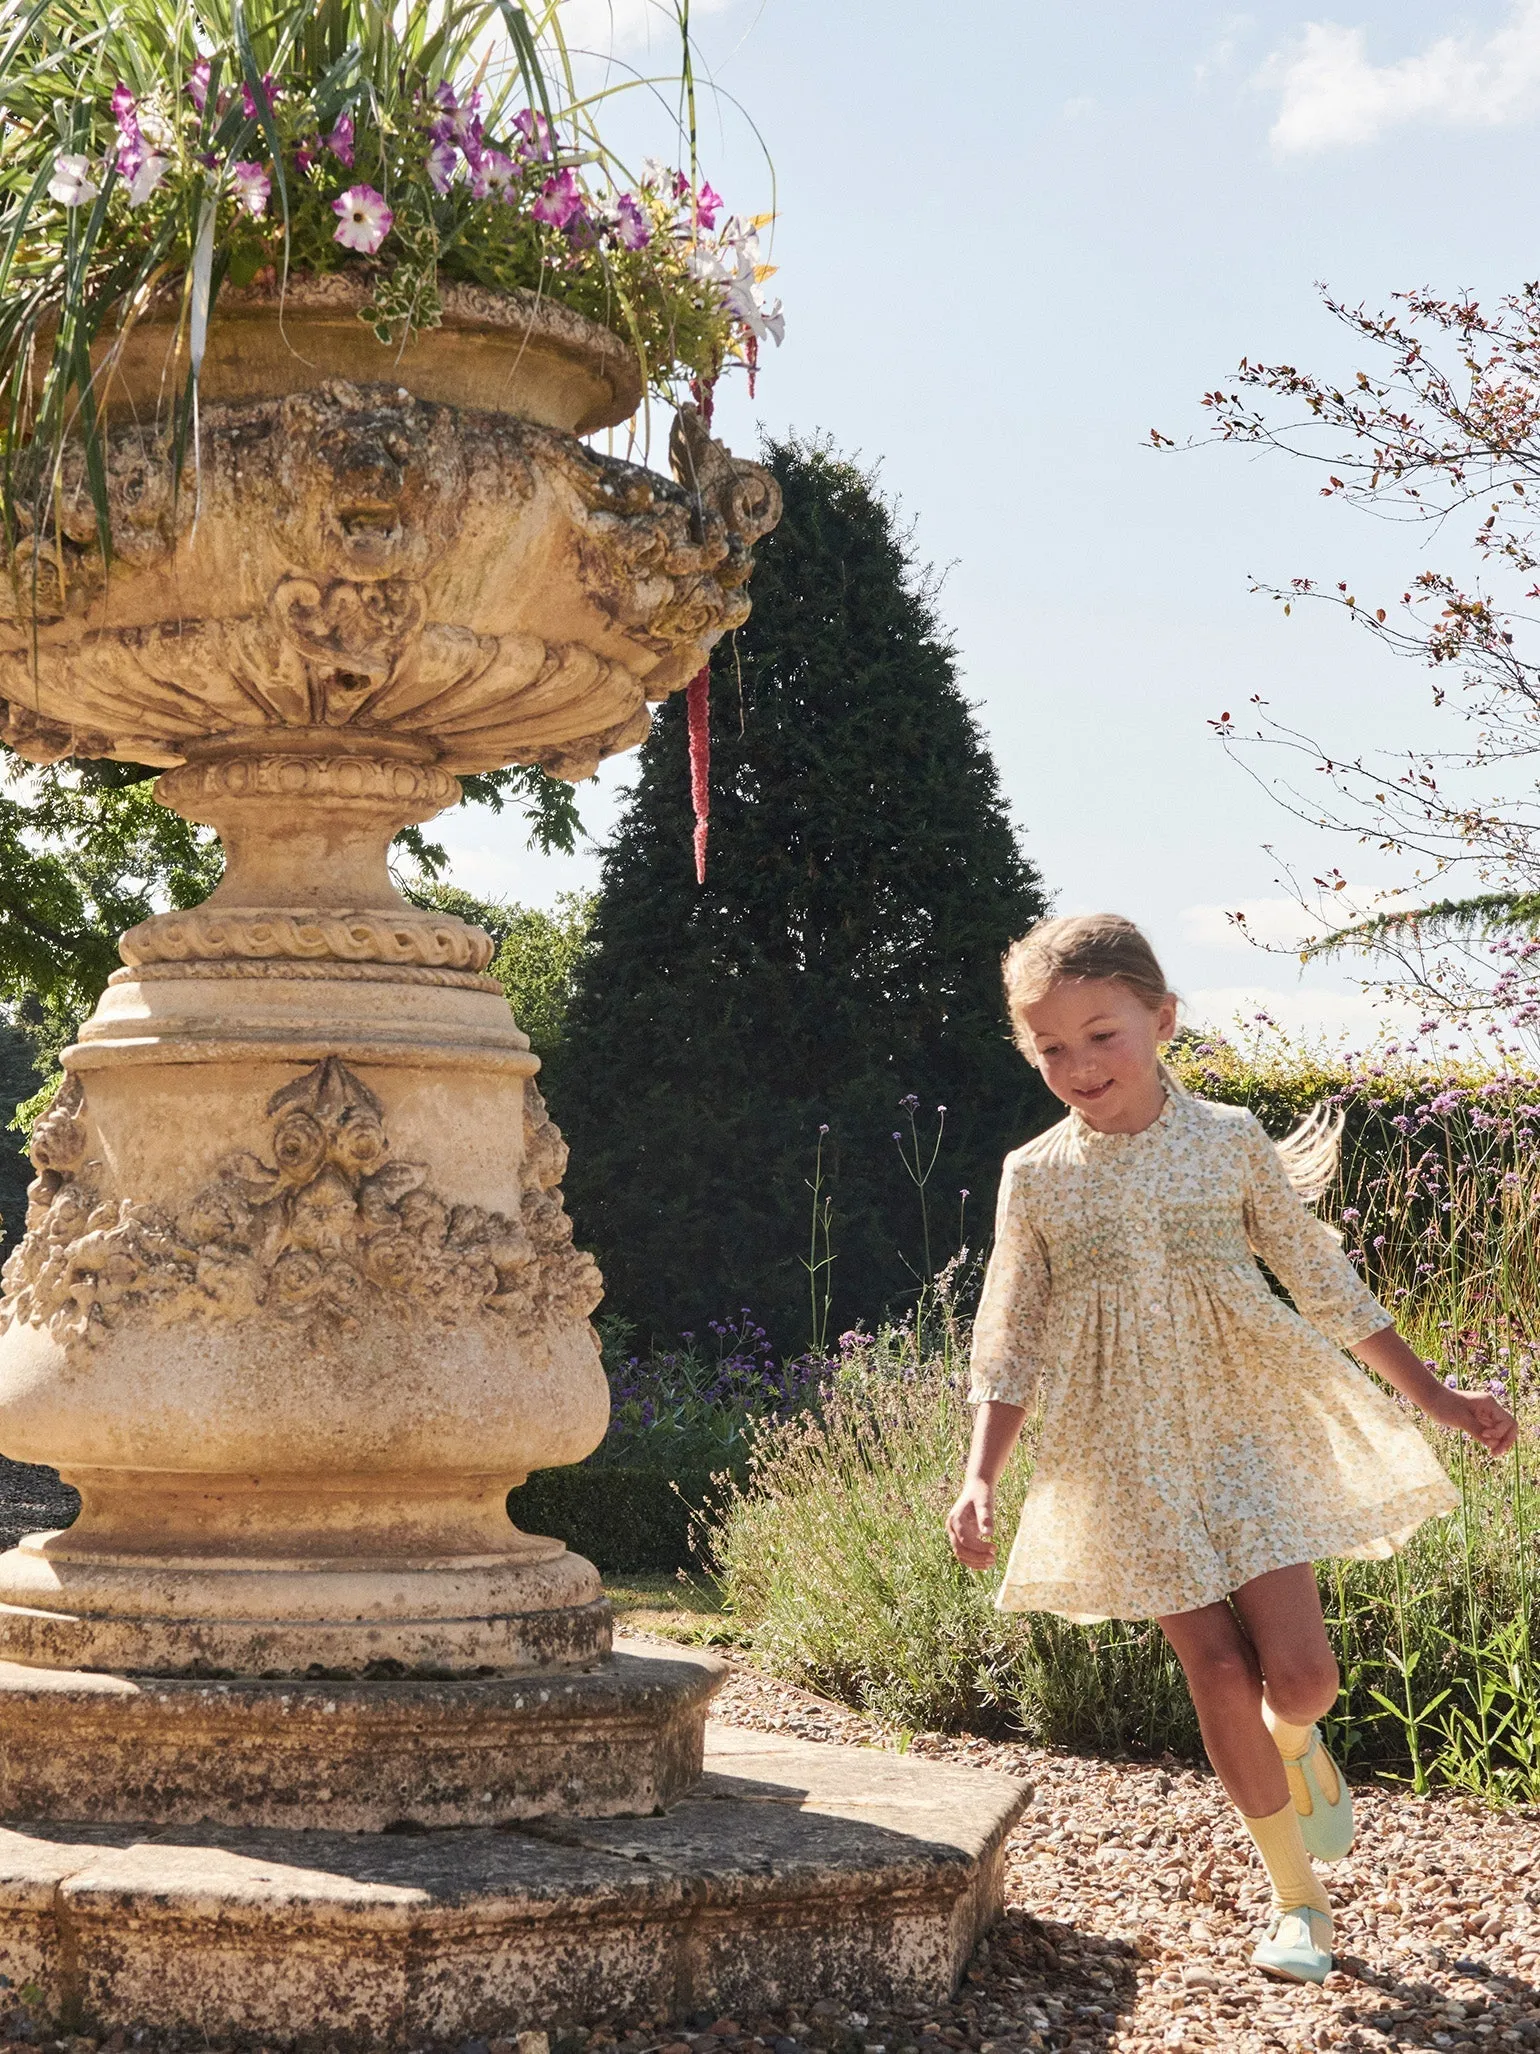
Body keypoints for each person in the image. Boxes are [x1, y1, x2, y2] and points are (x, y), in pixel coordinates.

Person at [945, 913, 1517, 1985]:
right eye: (1051, 1048)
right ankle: (1297, 1898)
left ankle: (1298, 1744)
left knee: (1298, 1678)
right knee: (1212, 1667)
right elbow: (1008, 1328)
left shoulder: (1227, 1138)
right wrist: (980, 1471)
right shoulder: (1038, 1174)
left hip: (1246, 1429)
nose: (1077, 1066)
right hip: (1123, 1448)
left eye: (1100, 1034)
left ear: (1161, 1019)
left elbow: (1320, 1277)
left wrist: (1436, 1393)